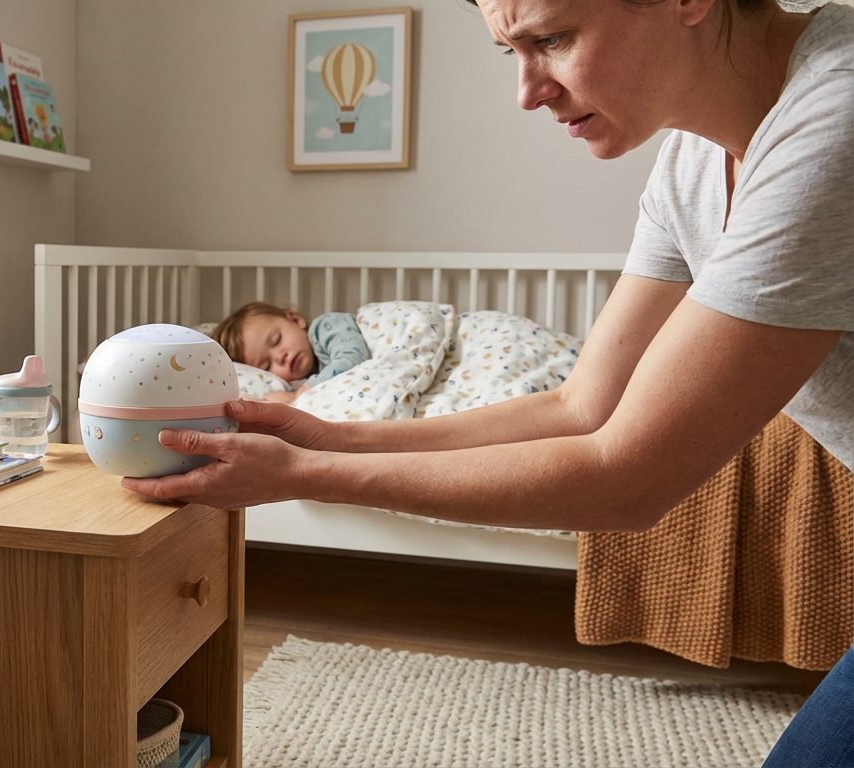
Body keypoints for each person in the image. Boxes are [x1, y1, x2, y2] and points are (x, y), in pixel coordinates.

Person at [124, 0, 854, 762]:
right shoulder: (692, 162)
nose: (528, 91)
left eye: (553, 39)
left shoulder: (832, 119)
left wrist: (308, 473)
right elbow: (582, 407)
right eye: (512, 52)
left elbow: (626, 477)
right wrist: (339, 436)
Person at [210, 302, 371, 404]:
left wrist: (301, 393)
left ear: (294, 319)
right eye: (267, 366)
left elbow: (353, 357)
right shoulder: (296, 383)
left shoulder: (326, 326)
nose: (280, 357)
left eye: (276, 340)